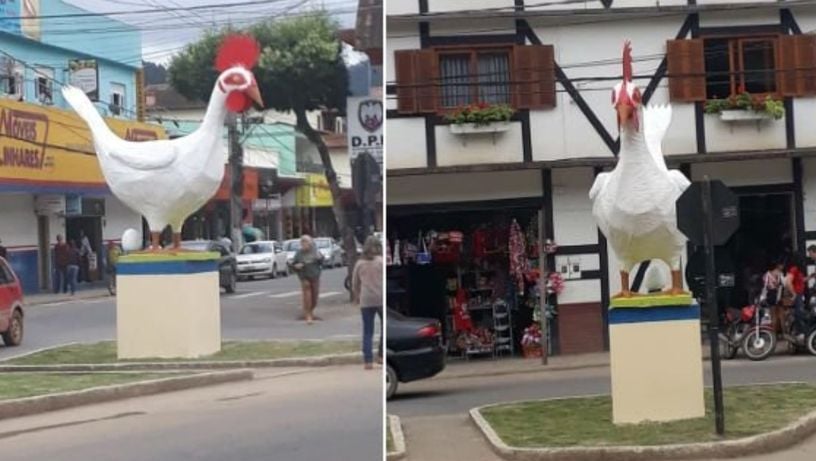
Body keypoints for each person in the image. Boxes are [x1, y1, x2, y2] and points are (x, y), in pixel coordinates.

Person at [352, 236, 383, 370]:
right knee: (384, 328)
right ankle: (381, 355)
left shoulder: (359, 264)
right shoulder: (380, 261)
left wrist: (357, 296)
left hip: (366, 299)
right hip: (380, 298)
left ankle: (368, 361)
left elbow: (354, 283)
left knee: (368, 331)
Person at [291, 235, 324, 324]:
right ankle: (308, 314)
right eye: (303, 243)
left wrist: (320, 258)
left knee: (315, 296)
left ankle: (311, 311)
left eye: (307, 243)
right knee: (307, 294)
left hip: (315, 276)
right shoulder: (299, 253)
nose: (305, 245)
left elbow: (321, 261)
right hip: (304, 276)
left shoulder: (315, 251)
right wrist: (296, 266)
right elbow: (293, 265)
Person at [785, 255, 808, 342]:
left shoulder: (799, 270)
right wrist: (793, 293)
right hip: (797, 294)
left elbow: (801, 280)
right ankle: (800, 332)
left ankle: (800, 331)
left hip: (800, 294)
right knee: (799, 313)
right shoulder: (794, 269)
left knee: (800, 313)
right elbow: (788, 282)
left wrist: (810, 277)